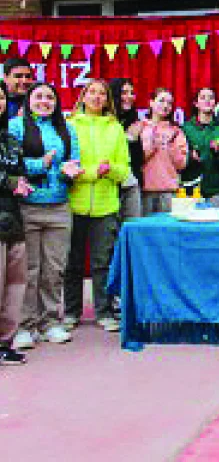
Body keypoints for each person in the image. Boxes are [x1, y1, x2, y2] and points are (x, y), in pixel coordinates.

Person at [9, 83, 81, 349]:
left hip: (59, 207)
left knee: (54, 269)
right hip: (26, 207)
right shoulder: (16, 127)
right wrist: (41, 164)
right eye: (38, 96)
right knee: (29, 270)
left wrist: (71, 170)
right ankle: (24, 325)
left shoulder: (67, 128)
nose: (44, 101)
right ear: (28, 101)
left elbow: (74, 159)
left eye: (49, 97)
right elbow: (11, 164)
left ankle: (50, 322)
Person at [64, 79, 130, 333]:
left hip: (106, 205)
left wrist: (110, 170)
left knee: (103, 262)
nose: (96, 97)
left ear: (107, 100)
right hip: (74, 203)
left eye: (102, 93)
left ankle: (103, 312)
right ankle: (71, 312)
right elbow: (69, 167)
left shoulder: (115, 127)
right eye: (91, 92)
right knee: (73, 262)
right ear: (83, 96)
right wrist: (93, 173)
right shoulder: (70, 124)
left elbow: (123, 170)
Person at [0, 83, 31, 364]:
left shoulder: (10, 138)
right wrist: (10, 182)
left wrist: (22, 182)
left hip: (14, 218)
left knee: (15, 283)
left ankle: (5, 342)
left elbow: (20, 170)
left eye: (0, 97)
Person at [182, 87, 219, 208]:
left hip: (216, 190)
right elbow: (178, 156)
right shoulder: (186, 128)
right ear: (196, 103)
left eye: (211, 98)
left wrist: (217, 153)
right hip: (190, 188)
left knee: (215, 219)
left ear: (215, 103)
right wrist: (190, 156)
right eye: (203, 97)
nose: (207, 100)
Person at [138, 88, 188, 215]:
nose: (165, 106)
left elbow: (182, 164)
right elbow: (136, 159)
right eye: (161, 101)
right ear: (151, 102)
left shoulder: (176, 131)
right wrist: (151, 146)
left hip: (169, 191)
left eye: (169, 103)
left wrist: (171, 146)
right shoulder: (140, 127)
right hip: (144, 191)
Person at [109, 78, 143, 221]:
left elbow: (138, 159)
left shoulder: (134, 121)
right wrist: (127, 138)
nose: (129, 97)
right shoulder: (106, 120)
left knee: (134, 227)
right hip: (109, 183)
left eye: (132, 93)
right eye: (124, 92)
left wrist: (134, 140)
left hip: (130, 184)